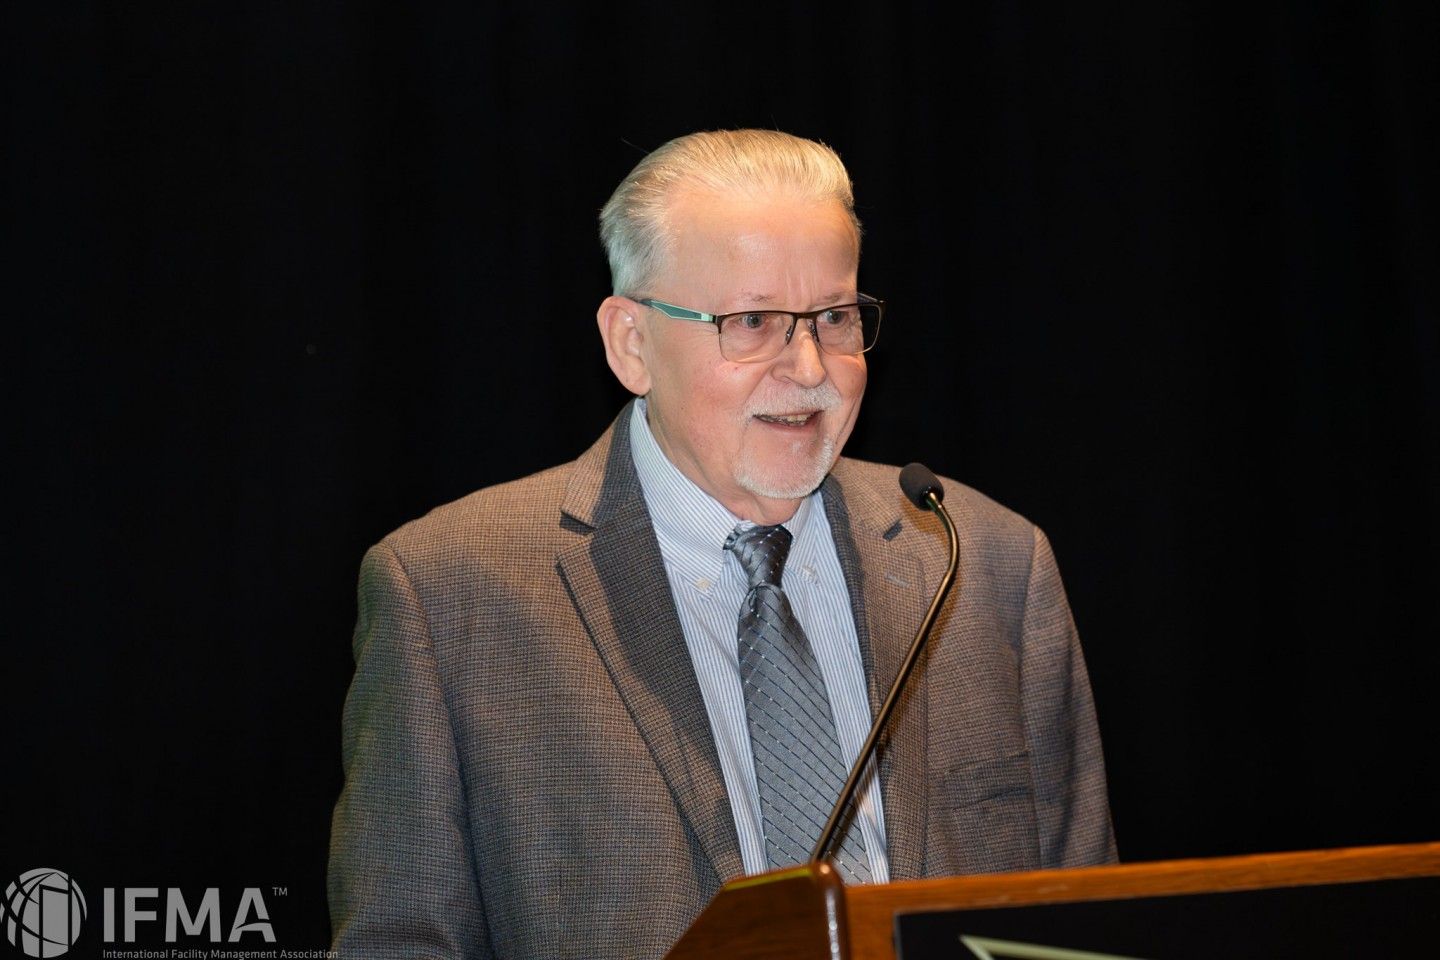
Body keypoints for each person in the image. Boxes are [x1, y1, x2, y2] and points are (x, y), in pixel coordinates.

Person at [327, 129, 1116, 960]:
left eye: (834, 318)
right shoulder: (450, 595)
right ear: (631, 342)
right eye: (752, 322)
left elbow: (1083, 929)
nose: (809, 366)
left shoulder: (988, 563)